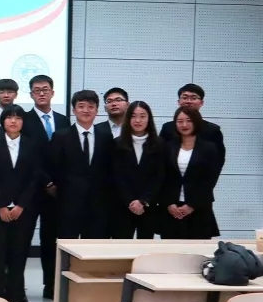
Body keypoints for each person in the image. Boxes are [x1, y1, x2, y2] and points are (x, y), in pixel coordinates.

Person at [0, 105, 41, 302]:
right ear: (3, 122)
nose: (13, 121)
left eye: (18, 118)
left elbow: (34, 178)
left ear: (23, 122)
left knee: (18, 254)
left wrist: (21, 205)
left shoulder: (31, 145)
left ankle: (13, 297)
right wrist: (1, 205)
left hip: (22, 210)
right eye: (9, 117)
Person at [21, 74, 70, 300]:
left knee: (52, 240)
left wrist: (57, 183)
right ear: (31, 94)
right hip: (32, 189)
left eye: (45, 89)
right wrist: (46, 181)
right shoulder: (24, 119)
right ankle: (18, 288)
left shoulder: (63, 120)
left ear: (53, 92)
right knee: (23, 240)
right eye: (37, 90)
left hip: (57, 193)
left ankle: (51, 286)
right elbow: (27, 157)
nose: (41, 93)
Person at [47, 90, 114, 241]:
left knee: (93, 247)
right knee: (67, 245)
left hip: (97, 204)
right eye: (81, 106)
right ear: (74, 110)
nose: (86, 110)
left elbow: (109, 169)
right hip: (68, 203)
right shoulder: (61, 136)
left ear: (97, 110)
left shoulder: (106, 136)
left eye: (91, 107)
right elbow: (52, 165)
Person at [160, 107, 221, 239]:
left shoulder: (209, 148)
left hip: (199, 208)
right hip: (172, 208)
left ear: (196, 122)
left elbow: (209, 180)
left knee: (198, 249)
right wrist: (169, 203)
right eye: (179, 121)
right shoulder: (167, 147)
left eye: (189, 121)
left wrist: (192, 205)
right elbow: (162, 177)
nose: (184, 125)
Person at [110, 101, 164, 240]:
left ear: (149, 119)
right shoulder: (117, 143)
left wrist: (143, 201)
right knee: (121, 245)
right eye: (133, 116)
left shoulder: (159, 144)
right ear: (128, 119)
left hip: (148, 206)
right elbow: (116, 176)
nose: (138, 120)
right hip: (123, 206)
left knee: (145, 247)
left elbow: (159, 176)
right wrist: (130, 201)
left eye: (142, 116)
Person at [159, 84, 225, 169]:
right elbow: (160, 156)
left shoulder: (213, 130)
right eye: (185, 97)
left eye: (194, 98)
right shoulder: (167, 128)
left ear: (201, 103)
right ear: (178, 102)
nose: (189, 101)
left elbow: (219, 160)